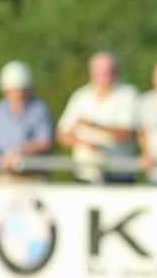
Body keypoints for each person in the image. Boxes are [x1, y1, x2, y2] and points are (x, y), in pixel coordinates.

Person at [56, 51, 138, 183]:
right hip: (85, 174)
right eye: (99, 74)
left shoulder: (128, 95)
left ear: (116, 72)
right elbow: (62, 134)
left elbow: (128, 134)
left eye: (108, 73)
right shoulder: (81, 96)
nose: (103, 78)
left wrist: (93, 125)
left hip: (118, 175)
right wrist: (83, 143)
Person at [0, 61, 53, 182]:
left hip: (34, 177)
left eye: (21, 89)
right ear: (5, 90)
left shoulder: (39, 109)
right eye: (14, 90)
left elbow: (45, 142)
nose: (18, 94)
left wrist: (21, 152)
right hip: (5, 175)